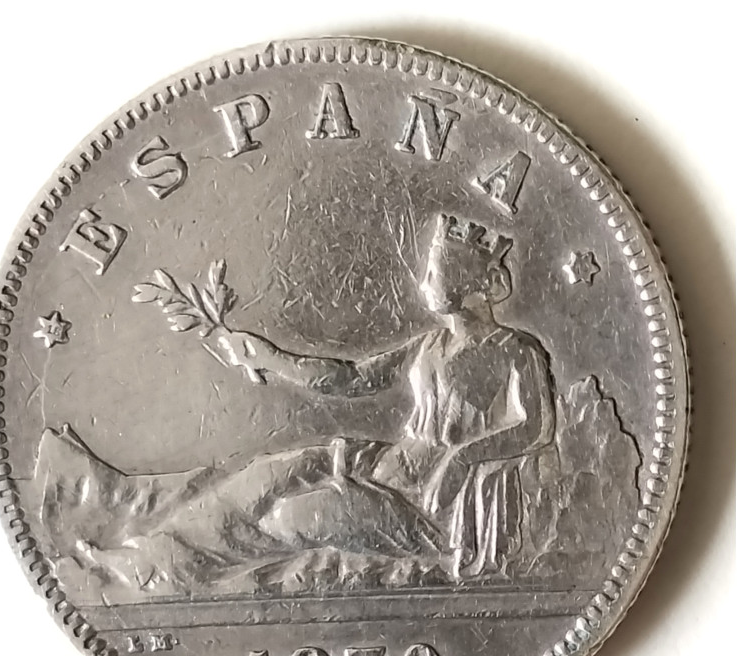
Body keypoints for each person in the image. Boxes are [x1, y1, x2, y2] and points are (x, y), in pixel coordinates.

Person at [211, 213, 555, 579]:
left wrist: (463, 458)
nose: (424, 283)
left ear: (470, 280)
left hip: (428, 503)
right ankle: (198, 544)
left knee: (290, 516)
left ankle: (219, 568)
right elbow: (353, 378)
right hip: (389, 466)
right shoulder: (430, 344)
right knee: (275, 473)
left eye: (435, 273)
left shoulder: (516, 350)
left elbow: (537, 428)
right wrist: (271, 358)